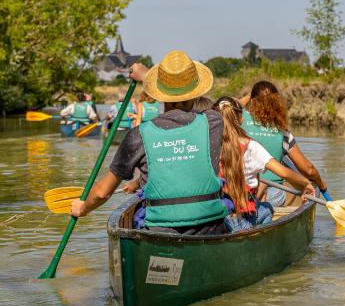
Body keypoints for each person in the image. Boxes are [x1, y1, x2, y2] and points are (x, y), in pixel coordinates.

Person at [71, 50, 229, 235]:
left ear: (159, 94)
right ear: (195, 92)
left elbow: (102, 193)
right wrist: (146, 76)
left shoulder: (138, 135)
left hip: (159, 231)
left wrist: (82, 209)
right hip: (210, 228)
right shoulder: (214, 122)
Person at [213, 96, 315, 232]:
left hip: (217, 221)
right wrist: (306, 183)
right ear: (241, 119)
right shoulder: (251, 147)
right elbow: (284, 173)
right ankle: (258, 233)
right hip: (242, 221)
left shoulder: (208, 145)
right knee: (267, 208)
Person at [240, 81, 327, 207]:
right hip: (273, 195)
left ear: (252, 102)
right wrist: (321, 184)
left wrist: (251, 96)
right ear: (277, 104)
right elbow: (308, 169)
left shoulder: (240, 119)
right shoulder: (283, 134)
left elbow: (229, 102)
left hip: (242, 191)